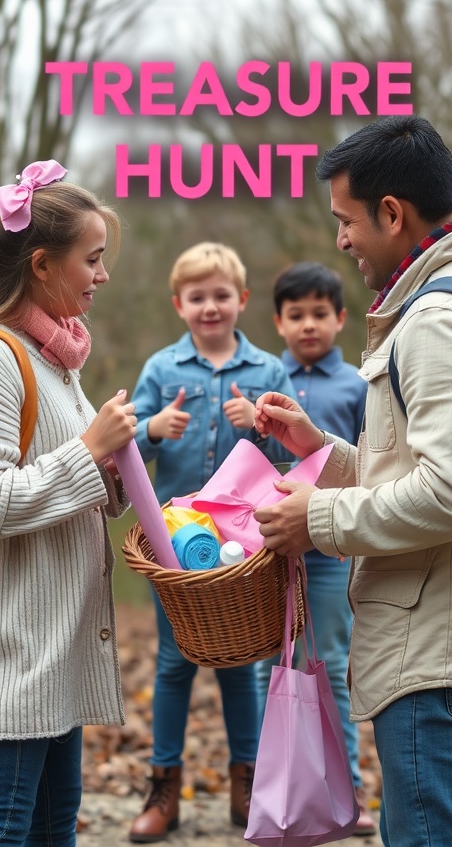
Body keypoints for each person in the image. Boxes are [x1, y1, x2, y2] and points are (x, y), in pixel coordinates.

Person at [252, 116, 452, 847]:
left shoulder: (440, 320)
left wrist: (317, 518)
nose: (341, 240)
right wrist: (325, 452)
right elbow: (443, 468)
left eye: (346, 221)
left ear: (392, 213)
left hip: (436, 647)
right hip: (447, 629)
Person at [0, 161, 138, 847]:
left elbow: (60, 478)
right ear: (43, 265)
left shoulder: (53, 355)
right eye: (93, 259)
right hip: (14, 652)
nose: (102, 275)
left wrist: (115, 467)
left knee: (52, 828)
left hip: (54, 650)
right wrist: (88, 450)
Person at [128, 241, 296, 843]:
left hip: (242, 547)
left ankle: (245, 784)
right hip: (175, 543)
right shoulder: (161, 369)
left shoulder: (268, 372)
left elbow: (293, 457)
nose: (209, 307)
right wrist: (153, 429)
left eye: (221, 295)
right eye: (196, 297)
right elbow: (124, 446)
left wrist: (261, 428)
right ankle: (164, 786)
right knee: (174, 663)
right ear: (179, 304)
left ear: (241, 299)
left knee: (240, 664)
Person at [255, 261, 374, 836]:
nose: (308, 325)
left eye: (319, 314)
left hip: (330, 554)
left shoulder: (358, 385)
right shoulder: (265, 379)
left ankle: (343, 790)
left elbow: (370, 464)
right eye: (296, 314)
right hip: (270, 555)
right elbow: (250, 468)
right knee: (269, 673)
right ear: (278, 321)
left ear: (340, 318)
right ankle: (274, 790)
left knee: (327, 667)